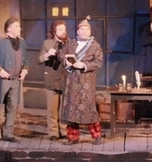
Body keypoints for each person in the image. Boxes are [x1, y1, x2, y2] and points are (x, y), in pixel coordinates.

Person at [58, 16, 104, 145]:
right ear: (78, 31)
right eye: (82, 29)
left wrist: (83, 65)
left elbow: (98, 62)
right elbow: (60, 53)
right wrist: (66, 61)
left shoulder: (95, 46)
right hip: (71, 80)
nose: (84, 32)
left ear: (90, 32)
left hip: (86, 81)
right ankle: (73, 137)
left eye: (86, 30)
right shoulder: (70, 43)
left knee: (89, 108)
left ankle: (97, 136)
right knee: (71, 109)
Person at [0, 17, 28, 143]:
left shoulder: (22, 42)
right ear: (9, 28)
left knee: (12, 107)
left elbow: (26, 59)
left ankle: (8, 134)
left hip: (16, 80)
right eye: (17, 26)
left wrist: (25, 70)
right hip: (1, 80)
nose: (20, 28)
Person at [37, 20, 68, 140]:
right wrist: (48, 54)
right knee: (52, 108)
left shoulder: (69, 43)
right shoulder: (47, 43)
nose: (63, 31)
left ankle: (64, 130)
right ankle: (53, 132)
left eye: (64, 29)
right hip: (52, 78)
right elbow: (39, 60)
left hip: (65, 79)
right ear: (54, 31)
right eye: (60, 29)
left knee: (64, 108)